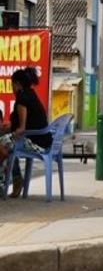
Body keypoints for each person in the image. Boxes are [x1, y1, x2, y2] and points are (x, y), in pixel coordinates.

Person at [0, 67, 51, 198]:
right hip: (41, 140)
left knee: (2, 145)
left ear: (17, 84)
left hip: (35, 142)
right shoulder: (31, 94)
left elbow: (21, 128)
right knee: (6, 145)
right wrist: (7, 129)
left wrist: (10, 132)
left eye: (12, 85)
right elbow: (21, 123)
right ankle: (11, 180)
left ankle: (6, 182)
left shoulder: (22, 98)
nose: (12, 89)